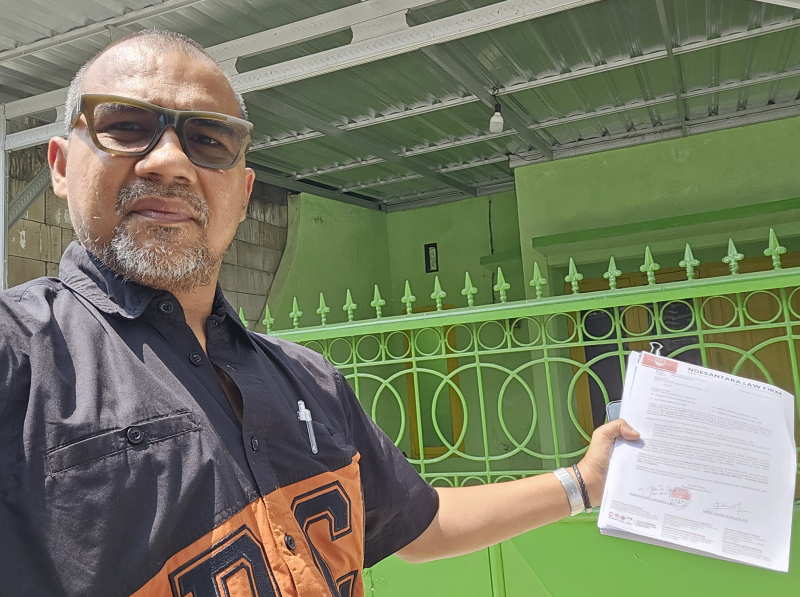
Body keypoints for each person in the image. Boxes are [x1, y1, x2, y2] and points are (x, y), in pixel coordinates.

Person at [0, 30, 639, 596]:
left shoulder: (310, 381)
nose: (169, 161)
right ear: (61, 165)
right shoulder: (22, 356)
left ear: (243, 194)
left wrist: (585, 482)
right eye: (125, 126)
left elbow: (421, 524)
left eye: (209, 140)